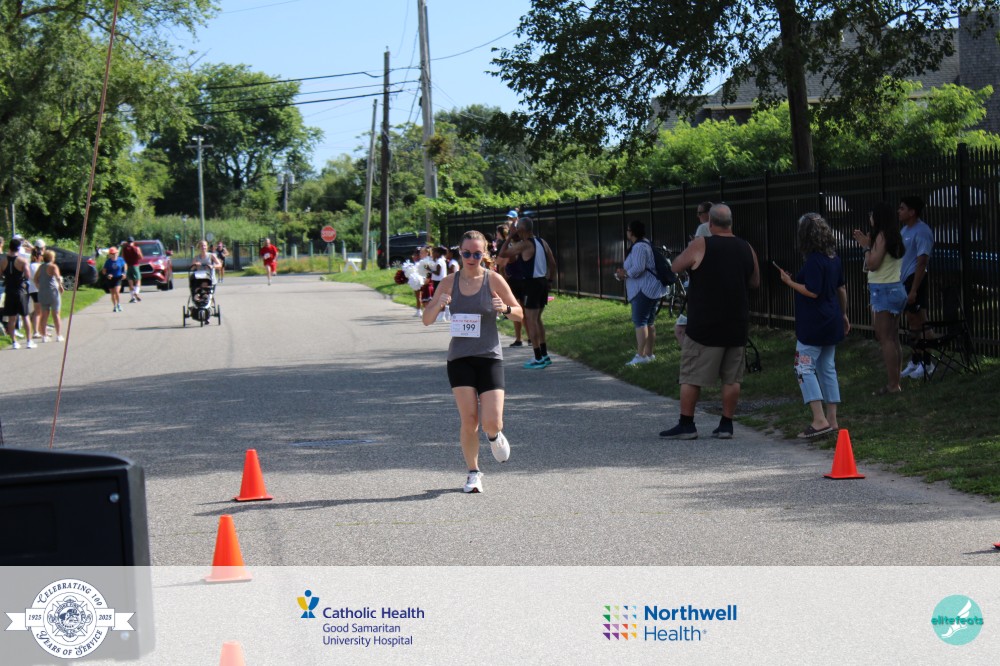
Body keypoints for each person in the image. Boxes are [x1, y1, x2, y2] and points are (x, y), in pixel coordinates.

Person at [422, 230, 523, 493]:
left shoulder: (493, 279)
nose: (471, 258)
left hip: (489, 357)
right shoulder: (449, 282)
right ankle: (473, 473)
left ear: (484, 254)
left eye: (477, 254)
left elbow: (520, 314)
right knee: (469, 420)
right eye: (466, 253)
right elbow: (426, 319)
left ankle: (494, 435)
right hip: (460, 359)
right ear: (459, 252)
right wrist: (438, 304)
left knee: (492, 422)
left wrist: (505, 309)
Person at [660, 204, 760, 439]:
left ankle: (687, 424)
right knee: (732, 378)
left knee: (691, 376)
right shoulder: (746, 247)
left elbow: (675, 266)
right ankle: (726, 424)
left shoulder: (701, 244)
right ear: (731, 223)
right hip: (736, 322)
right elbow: (755, 281)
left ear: (710, 224)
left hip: (705, 324)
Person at [777, 213, 849, 437]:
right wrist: (844, 314)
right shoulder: (833, 258)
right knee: (827, 367)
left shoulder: (814, 261)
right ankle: (832, 419)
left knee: (803, 367)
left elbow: (812, 291)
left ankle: (819, 419)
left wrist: (790, 282)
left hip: (814, 323)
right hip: (832, 319)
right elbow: (841, 289)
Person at [853, 201, 907, 395]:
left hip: (884, 290)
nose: (870, 217)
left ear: (879, 217)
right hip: (894, 288)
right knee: (892, 337)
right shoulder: (893, 235)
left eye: (872, 214)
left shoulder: (882, 236)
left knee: (885, 338)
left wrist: (865, 247)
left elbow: (873, 264)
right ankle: (896, 382)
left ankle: (893, 385)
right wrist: (870, 245)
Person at [498, 216, 557, 368]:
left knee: (531, 320)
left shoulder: (524, 245)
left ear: (522, 229)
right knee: (537, 319)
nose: (516, 230)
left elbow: (503, 254)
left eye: (518, 228)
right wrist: (550, 280)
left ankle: (538, 357)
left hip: (531, 283)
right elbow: (552, 263)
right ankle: (544, 354)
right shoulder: (542, 242)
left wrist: (509, 236)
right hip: (542, 282)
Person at [614, 220, 668, 366]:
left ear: (632, 232)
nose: (627, 232)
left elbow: (638, 268)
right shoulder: (646, 244)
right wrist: (623, 274)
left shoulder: (638, 247)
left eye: (628, 230)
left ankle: (641, 355)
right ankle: (649, 354)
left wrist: (625, 274)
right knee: (649, 322)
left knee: (640, 322)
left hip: (643, 290)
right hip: (652, 289)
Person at [898, 196, 935, 379]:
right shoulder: (904, 230)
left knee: (921, 320)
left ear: (912, 212)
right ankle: (915, 360)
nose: (899, 211)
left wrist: (913, 289)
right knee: (912, 320)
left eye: (902, 208)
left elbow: (922, 261)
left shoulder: (922, 231)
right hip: (905, 280)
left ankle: (928, 363)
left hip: (916, 280)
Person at [2, 238, 35, 348]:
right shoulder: (22, 260)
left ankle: (14, 342)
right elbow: (27, 275)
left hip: (9, 290)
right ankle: (29, 341)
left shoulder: (3, 261)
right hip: (20, 290)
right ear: (18, 248)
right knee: (25, 316)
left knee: (12, 318)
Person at [34, 249, 65, 342]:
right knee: (56, 314)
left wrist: (39, 286)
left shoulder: (41, 267)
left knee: (44, 315)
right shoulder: (53, 266)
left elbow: (35, 279)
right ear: (52, 258)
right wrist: (61, 286)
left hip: (43, 293)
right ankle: (58, 335)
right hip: (52, 292)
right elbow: (58, 277)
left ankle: (44, 336)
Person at [102, 246, 126, 312]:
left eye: (115, 253)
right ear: (110, 254)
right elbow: (104, 271)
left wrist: (124, 273)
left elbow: (125, 266)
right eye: (112, 253)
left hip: (118, 278)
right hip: (110, 279)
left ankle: (119, 304)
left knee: (117, 292)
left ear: (117, 253)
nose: (114, 254)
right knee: (112, 294)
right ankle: (115, 306)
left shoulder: (120, 260)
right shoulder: (108, 262)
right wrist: (107, 275)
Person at [121, 236, 143, 302]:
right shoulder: (136, 248)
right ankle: (136, 292)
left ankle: (133, 297)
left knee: (130, 282)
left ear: (127, 242)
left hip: (128, 266)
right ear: (133, 242)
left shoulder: (124, 249)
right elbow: (141, 257)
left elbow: (122, 258)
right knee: (138, 280)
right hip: (135, 266)